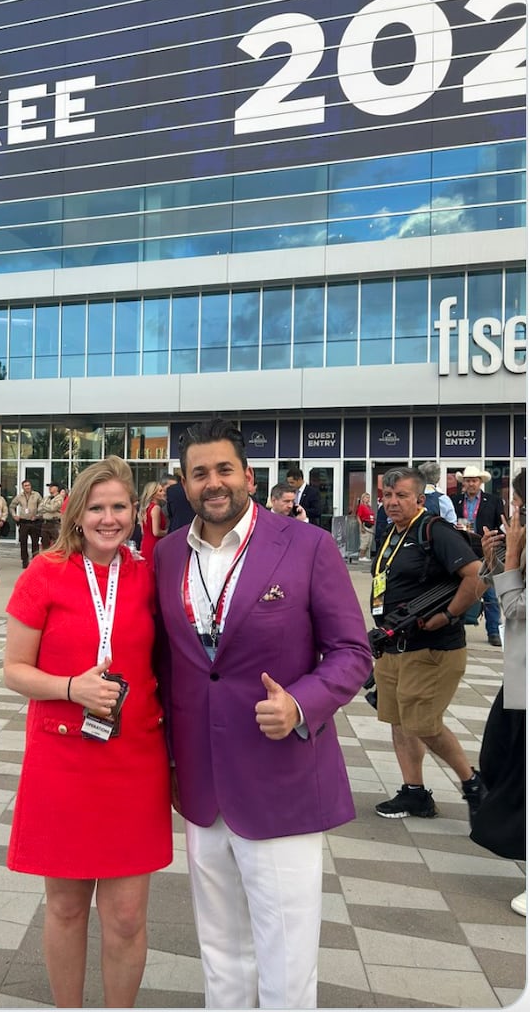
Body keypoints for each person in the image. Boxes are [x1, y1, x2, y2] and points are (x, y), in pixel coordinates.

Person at [154, 418, 371, 1010]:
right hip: (202, 784)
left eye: (224, 469)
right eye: (200, 473)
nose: (213, 483)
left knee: (285, 954)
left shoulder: (306, 546)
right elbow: (172, 666)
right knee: (221, 948)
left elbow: (354, 652)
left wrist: (301, 702)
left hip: (280, 778)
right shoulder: (168, 554)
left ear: (249, 475)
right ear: (184, 482)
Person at [3, 456, 172, 1009]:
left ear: (134, 512)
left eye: (118, 507)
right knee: (67, 907)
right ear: (76, 514)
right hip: (63, 758)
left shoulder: (149, 574)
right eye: (96, 508)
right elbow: (14, 670)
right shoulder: (43, 574)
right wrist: (71, 687)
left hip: (133, 756)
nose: (108, 518)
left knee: (126, 916)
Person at [370, 466, 487, 821]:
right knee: (399, 720)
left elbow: (477, 576)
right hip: (396, 644)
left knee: (422, 722)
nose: (392, 502)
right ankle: (414, 792)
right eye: (387, 496)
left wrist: (450, 615)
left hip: (433, 649)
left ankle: (472, 782)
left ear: (420, 499)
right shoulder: (392, 533)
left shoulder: (435, 530)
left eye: (401, 496)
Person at [472, 468, 526, 916]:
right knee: (498, 758)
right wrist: (497, 562)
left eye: (517, 505)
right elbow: (505, 596)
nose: (511, 513)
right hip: (519, 673)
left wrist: (509, 562)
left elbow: (517, 608)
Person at [452, 464, 506, 647]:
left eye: (474, 481)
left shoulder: (493, 501)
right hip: (462, 550)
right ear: (464, 483)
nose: (471, 484)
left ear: (480, 482)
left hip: (486, 551)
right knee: (458, 592)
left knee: (489, 593)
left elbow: (502, 525)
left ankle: (493, 631)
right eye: (468, 481)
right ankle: (457, 630)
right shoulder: (455, 500)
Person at [11, 479, 43, 568]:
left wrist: (37, 516)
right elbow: (12, 506)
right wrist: (14, 515)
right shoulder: (19, 496)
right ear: (22, 487)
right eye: (25, 486)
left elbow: (42, 507)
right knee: (23, 543)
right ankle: (25, 561)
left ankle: (35, 561)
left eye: (28, 485)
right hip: (23, 522)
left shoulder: (36, 495)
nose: (27, 487)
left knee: (35, 542)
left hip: (34, 522)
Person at [138, 479, 167, 562]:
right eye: (160, 491)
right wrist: (169, 531)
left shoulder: (146, 509)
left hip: (145, 543)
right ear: (154, 494)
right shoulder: (156, 508)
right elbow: (156, 532)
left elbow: (144, 531)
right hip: (154, 545)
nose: (163, 493)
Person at [39, 481, 64, 549]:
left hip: (54, 523)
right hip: (45, 523)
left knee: (57, 543)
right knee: (44, 543)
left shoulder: (59, 498)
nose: (49, 488)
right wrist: (47, 506)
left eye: (52, 486)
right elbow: (40, 508)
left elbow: (53, 508)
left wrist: (45, 506)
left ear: (57, 488)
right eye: (49, 487)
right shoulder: (46, 498)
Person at [356, 491, 375, 559]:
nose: (368, 499)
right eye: (366, 497)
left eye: (369, 498)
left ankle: (365, 556)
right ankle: (361, 556)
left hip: (370, 525)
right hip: (365, 525)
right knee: (364, 541)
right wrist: (361, 526)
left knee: (369, 542)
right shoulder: (361, 507)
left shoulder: (369, 507)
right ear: (363, 498)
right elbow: (358, 516)